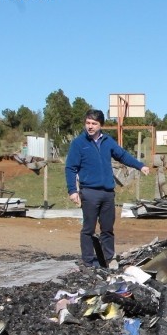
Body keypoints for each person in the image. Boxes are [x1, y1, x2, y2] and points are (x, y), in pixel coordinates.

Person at [65, 109, 150, 268]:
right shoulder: (78, 143)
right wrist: (72, 190)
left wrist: (140, 166)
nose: (90, 126)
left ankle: (109, 259)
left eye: (94, 124)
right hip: (89, 192)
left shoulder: (108, 141)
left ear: (100, 125)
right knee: (88, 229)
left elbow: (122, 155)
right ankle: (88, 262)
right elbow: (70, 168)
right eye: (88, 123)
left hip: (108, 194)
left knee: (107, 229)